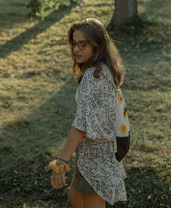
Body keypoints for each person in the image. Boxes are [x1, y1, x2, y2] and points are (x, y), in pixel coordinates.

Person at [50, 18, 129, 208]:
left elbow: (80, 126)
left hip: (98, 154)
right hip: (94, 151)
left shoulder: (94, 77)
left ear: (97, 46)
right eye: (74, 44)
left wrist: (60, 164)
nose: (76, 49)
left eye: (83, 45)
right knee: (76, 198)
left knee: (86, 202)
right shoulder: (102, 71)